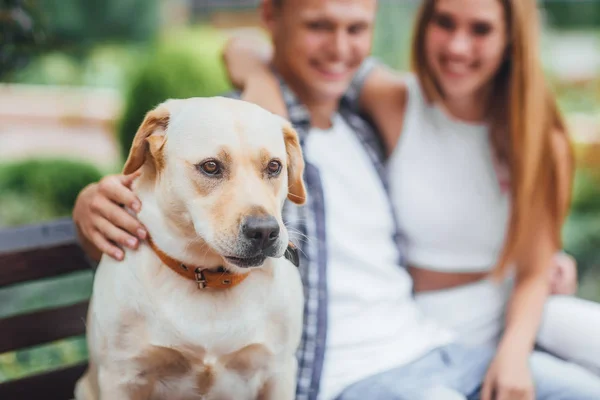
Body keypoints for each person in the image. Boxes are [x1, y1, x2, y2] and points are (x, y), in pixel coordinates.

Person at [73, 0, 600, 399]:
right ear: (271, 18)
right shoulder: (243, 127)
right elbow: (162, 200)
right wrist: (89, 206)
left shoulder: (362, 121)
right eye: (319, 26)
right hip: (356, 372)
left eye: (356, 29)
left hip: (434, 343)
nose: (340, 46)